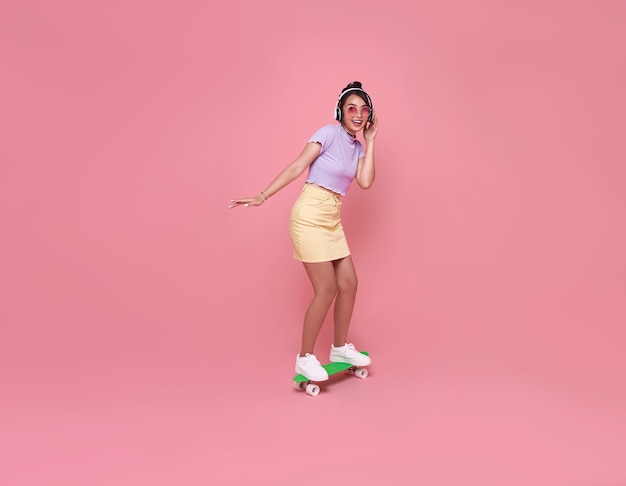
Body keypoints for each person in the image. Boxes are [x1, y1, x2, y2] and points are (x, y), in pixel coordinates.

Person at [229, 81, 379, 381]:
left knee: (348, 283)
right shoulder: (327, 133)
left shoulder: (359, 146)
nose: (358, 115)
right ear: (341, 112)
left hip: (332, 217)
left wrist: (372, 141)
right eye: (352, 109)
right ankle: (305, 358)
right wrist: (263, 195)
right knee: (326, 290)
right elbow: (298, 165)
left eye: (364, 110)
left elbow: (365, 182)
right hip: (309, 215)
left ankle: (338, 348)